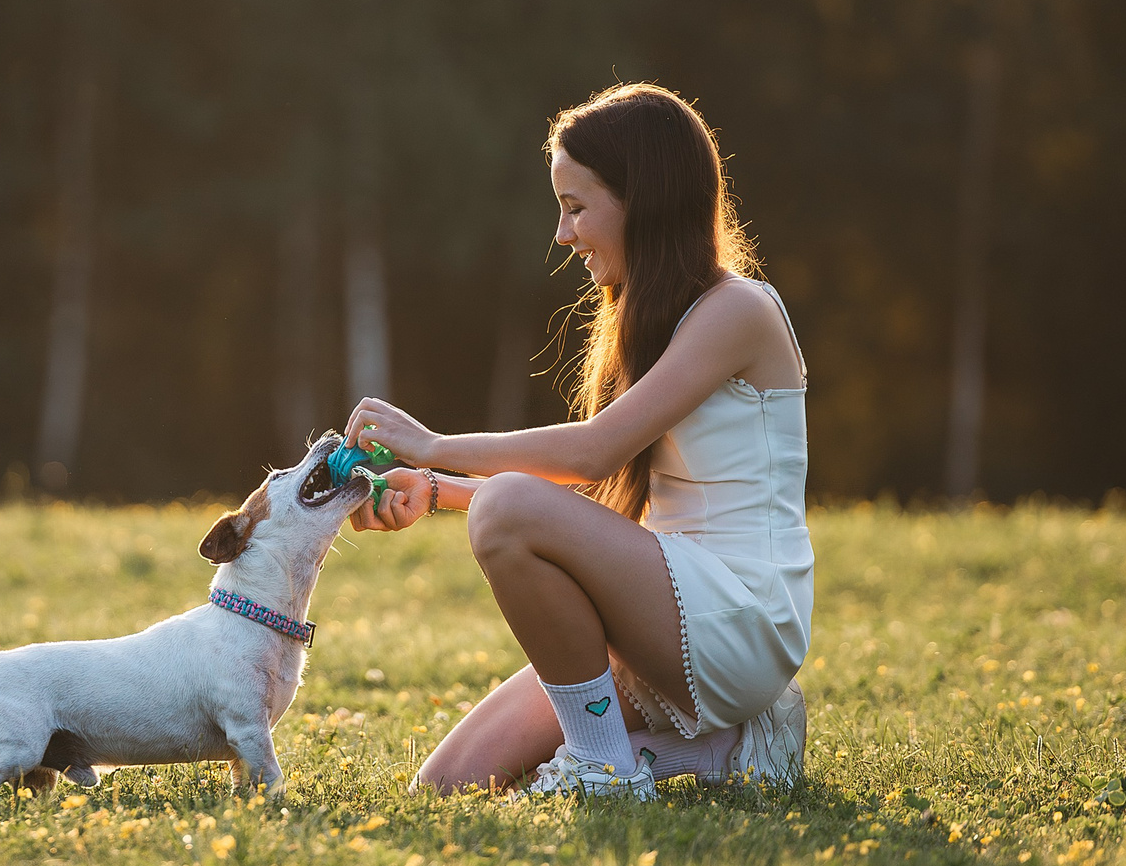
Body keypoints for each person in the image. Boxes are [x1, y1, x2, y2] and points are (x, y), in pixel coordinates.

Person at [342, 82, 811, 799]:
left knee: (506, 512)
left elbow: (593, 453)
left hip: (738, 622)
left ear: (644, 203)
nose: (563, 234)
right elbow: (592, 511)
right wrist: (436, 492)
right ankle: (718, 748)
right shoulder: (655, 321)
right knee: (443, 785)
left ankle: (606, 767)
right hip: (666, 608)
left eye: (576, 206)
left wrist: (431, 445)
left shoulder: (738, 311)